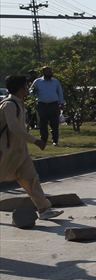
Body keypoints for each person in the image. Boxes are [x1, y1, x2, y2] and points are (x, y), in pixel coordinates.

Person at [1, 74, 63, 220]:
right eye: (26, 86)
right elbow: (14, 128)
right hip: (5, 152)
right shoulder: (9, 104)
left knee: (31, 179)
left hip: (20, 153)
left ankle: (43, 209)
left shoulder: (18, 104)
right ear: (20, 89)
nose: (28, 89)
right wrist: (36, 141)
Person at [31, 66, 65, 147]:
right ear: (43, 72)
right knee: (42, 124)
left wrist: (62, 103)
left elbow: (60, 93)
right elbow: (31, 93)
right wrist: (33, 91)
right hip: (42, 105)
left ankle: (55, 141)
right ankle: (43, 140)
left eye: (50, 72)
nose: (49, 73)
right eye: (47, 72)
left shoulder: (55, 82)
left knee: (54, 124)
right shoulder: (38, 81)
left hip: (53, 105)